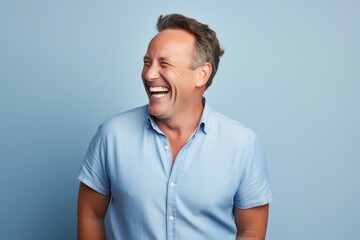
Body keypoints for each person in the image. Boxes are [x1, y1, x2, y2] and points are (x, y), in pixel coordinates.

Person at [77, 13, 274, 240]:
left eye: (165, 64)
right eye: (147, 62)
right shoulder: (111, 135)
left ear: (202, 74)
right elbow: (90, 213)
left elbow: (250, 231)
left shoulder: (243, 145)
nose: (149, 74)